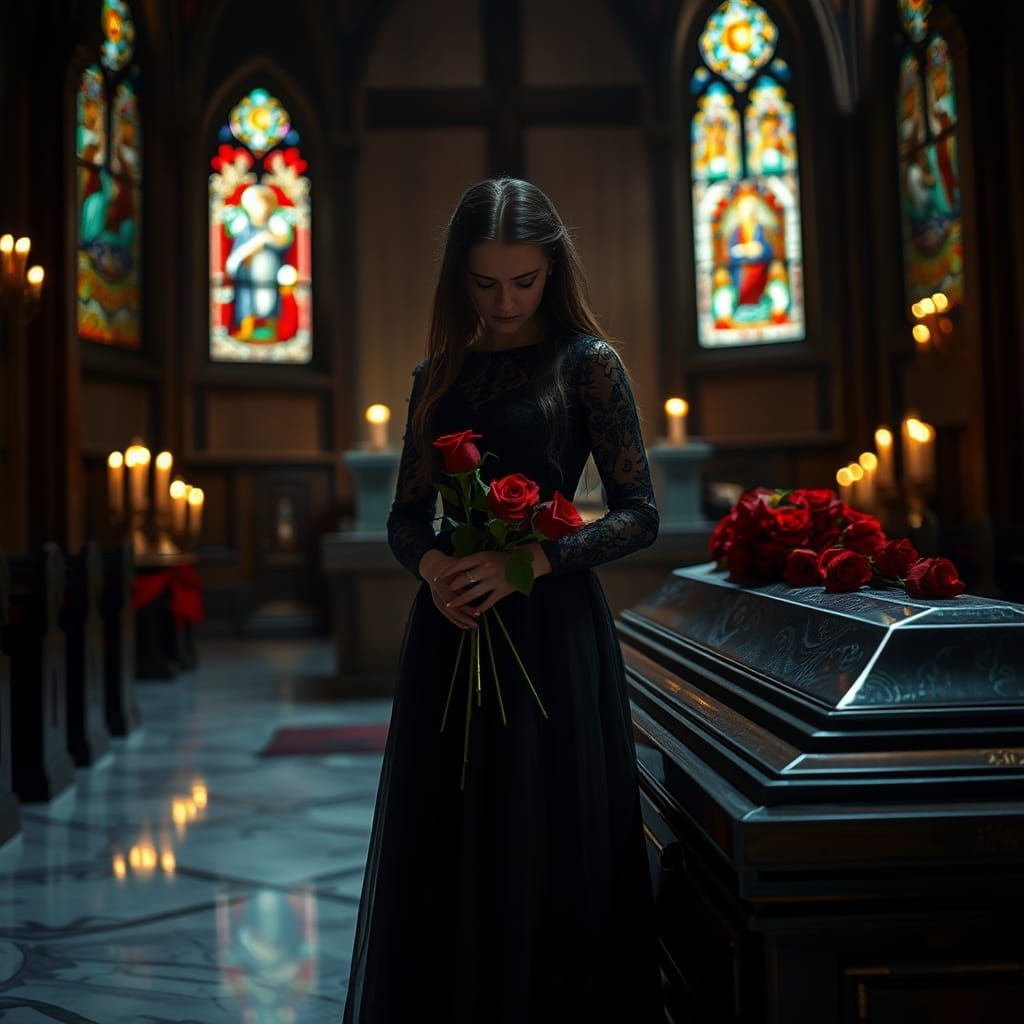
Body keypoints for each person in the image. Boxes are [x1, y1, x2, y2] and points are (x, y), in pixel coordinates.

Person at [342, 177, 664, 1023]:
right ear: (460, 279)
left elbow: (641, 514)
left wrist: (536, 562)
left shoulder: (589, 365)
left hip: (553, 633)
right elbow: (407, 517)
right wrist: (436, 571)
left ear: (553, 271)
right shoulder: (437, 375)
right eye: (486, 283)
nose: (507, 300)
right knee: (453, 836)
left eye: (524, 281)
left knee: (548, 834)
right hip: (455, 632)